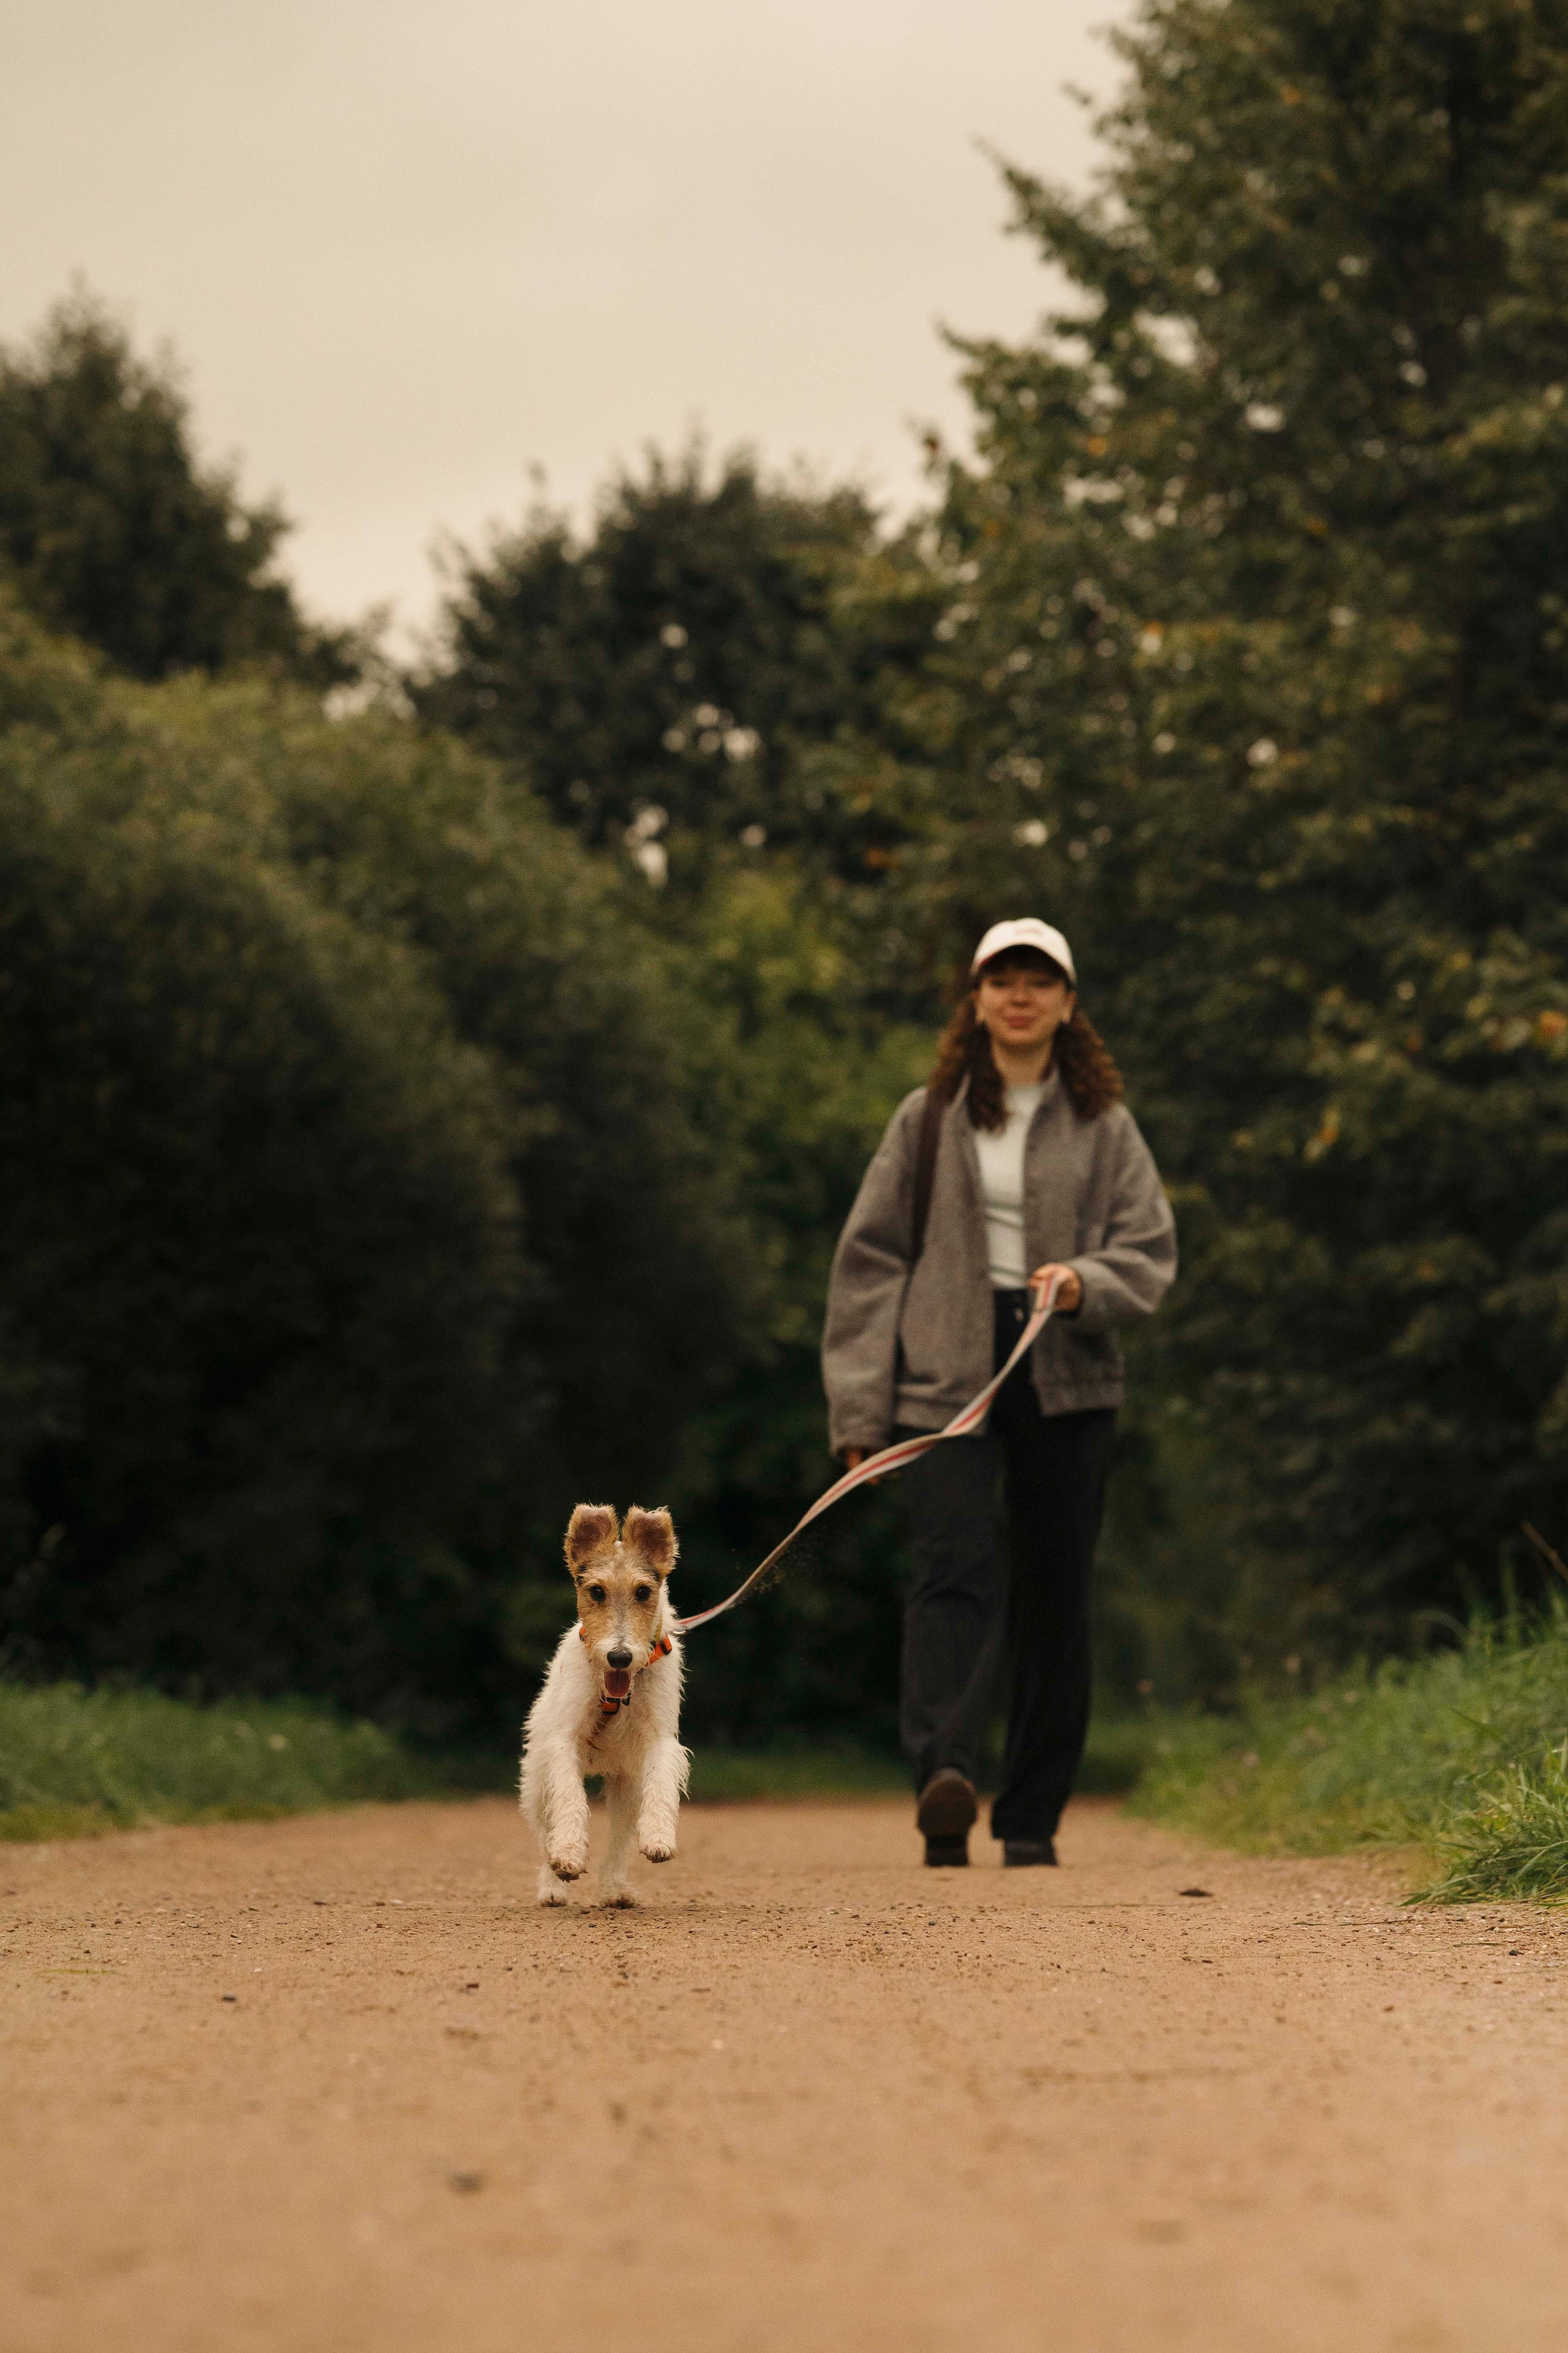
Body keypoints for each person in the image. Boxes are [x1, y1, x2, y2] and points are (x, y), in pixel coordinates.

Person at [821, 918, 1175, 1867]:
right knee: (952, 1573)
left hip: (1067, 1372)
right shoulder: (925, 1118)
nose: (1020, 995)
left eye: (1039, 980)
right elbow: (869, 1265)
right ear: (976, 1001)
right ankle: (944, 1778)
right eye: (1002, 978)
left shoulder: (1106, 1125)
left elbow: (1148, 1249)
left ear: (1068, 1003)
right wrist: (860, 1409)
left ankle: (1030, 1818)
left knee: (1058, 1589)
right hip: (944, 1377)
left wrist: (1085, 1282)